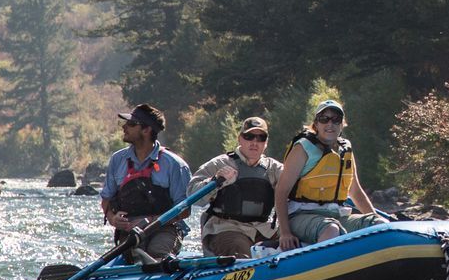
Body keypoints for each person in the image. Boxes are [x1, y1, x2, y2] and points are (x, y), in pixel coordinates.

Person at [275, 99, 378, 249]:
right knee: (331, 229)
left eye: (336, 120)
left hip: (337, 215)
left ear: (342, 124)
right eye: (324, 119)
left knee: (379, 224)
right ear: (316, 124)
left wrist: (376, 219)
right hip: (300, 216)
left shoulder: (346, 149)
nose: (330, 124)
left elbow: (355, 191)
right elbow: (281, 191)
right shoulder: (303, 148)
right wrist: (285, 233)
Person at [99, 102, 192, 262]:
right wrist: (113, 218)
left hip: (165, 229)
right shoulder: (117, 160)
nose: (124, 127)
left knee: (157, 253)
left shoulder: (175, 164)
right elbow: (106, 199)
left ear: (147, 130)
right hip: (130, 233)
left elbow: (184, 210)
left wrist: (150, 221)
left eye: (131, 124)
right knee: (133, 256)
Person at [188, 116, 283, 258]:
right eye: (249, 136)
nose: (254, 142)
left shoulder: (274, 168)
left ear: (266, 143)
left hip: (262, 229)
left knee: (291, 245)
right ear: (240, 139)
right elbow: (192, 194)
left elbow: (296, 187)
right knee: (240, 250)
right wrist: (215, 181)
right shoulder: (220, 163)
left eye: (260, 138)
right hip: (225, 227)